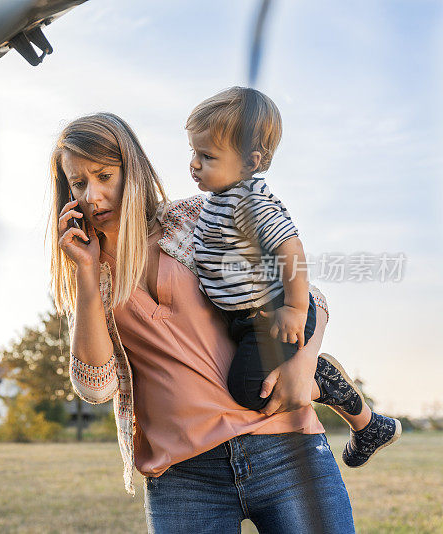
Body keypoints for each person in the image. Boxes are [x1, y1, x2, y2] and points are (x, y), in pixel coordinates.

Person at [49, 112, 361, 532]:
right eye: (79, 182)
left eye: (104, 175)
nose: (92, 195)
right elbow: (95, 387)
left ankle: (334, 388)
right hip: (185, 478)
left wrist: (304, 366)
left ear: (132, 170)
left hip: (286, 448)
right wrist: (87, 278)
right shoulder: (87, 274)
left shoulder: (196, 218)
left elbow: (308, 296)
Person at [186, 86, 401, 467]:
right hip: (250, 319)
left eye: (207, 156)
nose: (194, 164)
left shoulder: (249, 201)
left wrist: (296, 308)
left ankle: (324, 380)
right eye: (193, 152)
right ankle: (366, 423)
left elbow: (292, 249)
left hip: (273, 317)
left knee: (252, 392)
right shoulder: (223, 197)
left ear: (249, 162)